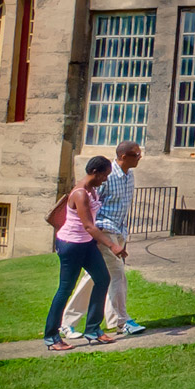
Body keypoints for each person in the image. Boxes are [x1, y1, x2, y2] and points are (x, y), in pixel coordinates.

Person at [61, 140, 146, 339]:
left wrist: (121, 237)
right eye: (136, 154)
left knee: (93, 278)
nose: (139, 158)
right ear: (124, 156)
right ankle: (121, 322)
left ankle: (67, 322)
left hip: (119, 232)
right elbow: (90, 204)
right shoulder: (106, 177)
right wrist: (101, 236)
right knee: (117, 274)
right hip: (104, 231)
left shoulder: (129, 176)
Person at [44, 155, 125, 351]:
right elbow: (89, 226)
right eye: (104, 175)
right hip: (71, 245)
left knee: (103, 279)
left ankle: (92, 329)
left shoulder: (93, 190)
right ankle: (52, 336)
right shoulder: (80, 193)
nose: (106, 179)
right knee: (65, 288)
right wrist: (112, 246)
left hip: (86, 244)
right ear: (95, 172)